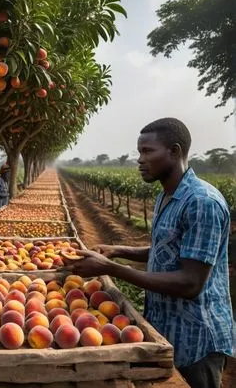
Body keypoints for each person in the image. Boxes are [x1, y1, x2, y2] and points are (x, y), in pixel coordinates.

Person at [64, 118, 234, 388]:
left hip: (197, 336)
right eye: (139, 152)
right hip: (164, 325)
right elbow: (165, 251)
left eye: (147, 151)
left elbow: (190, 283)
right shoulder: (167, 196)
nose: (140, 159)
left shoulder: (202, 202)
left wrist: (111, 268)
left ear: (175, 151)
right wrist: (117, 250)